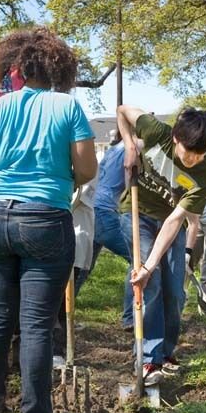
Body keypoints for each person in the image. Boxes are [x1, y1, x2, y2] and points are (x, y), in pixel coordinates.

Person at [0, 27, 96, 413]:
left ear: (11, 66)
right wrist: (57, 173)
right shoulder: (67, 108)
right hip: (45, 221)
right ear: (57, 67)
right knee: (35, 324)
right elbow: (86, 171)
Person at [117, 106, 206, 385]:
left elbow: (176, 220)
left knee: (175, 290)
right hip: (137, 214)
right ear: (176, 138)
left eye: (202, 153)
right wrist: (129, 146)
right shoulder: (156, 131)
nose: (195, 158)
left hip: (169, 222)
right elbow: (122, 111)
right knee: (151, 283)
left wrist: (151, 265)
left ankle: (164, 351)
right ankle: (148, 359)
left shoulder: (205, 176)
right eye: (190, 151)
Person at [75, 137, 134, 330]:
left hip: (93, 207)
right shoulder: (132, 149)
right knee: (138, 261)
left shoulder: (113, 149)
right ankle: (130, 318)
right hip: (105, 213)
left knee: (83, 267)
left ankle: (60, 316)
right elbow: (129, 182)